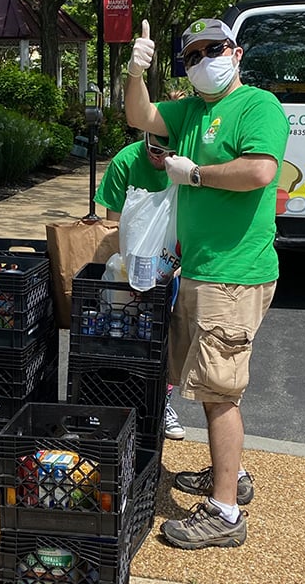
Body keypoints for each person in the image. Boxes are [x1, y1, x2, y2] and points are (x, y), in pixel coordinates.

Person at [124, 17, 288, 550]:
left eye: (211, 49)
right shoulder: (192, 109)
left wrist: (193, 173)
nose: (202, 62)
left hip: (234, 275)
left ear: (235, 52)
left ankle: (225, 512)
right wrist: (136, 69)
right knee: (202, 381)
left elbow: (261, 171)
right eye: (191, 56)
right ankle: (230, 474)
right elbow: (139, 114)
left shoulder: (257, 106)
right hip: (198, 269)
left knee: (219, 392)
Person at [93, 131, 186, 441]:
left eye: (166, 151)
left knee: (164, 338)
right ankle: (117, 402)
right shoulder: (126, 161)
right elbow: (114, 223)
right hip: (129, 267)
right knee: (121, 331)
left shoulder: (186, 164)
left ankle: (163, 404)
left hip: (168, 268)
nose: (159, 157)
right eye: (153, 148)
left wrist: (174, 267)